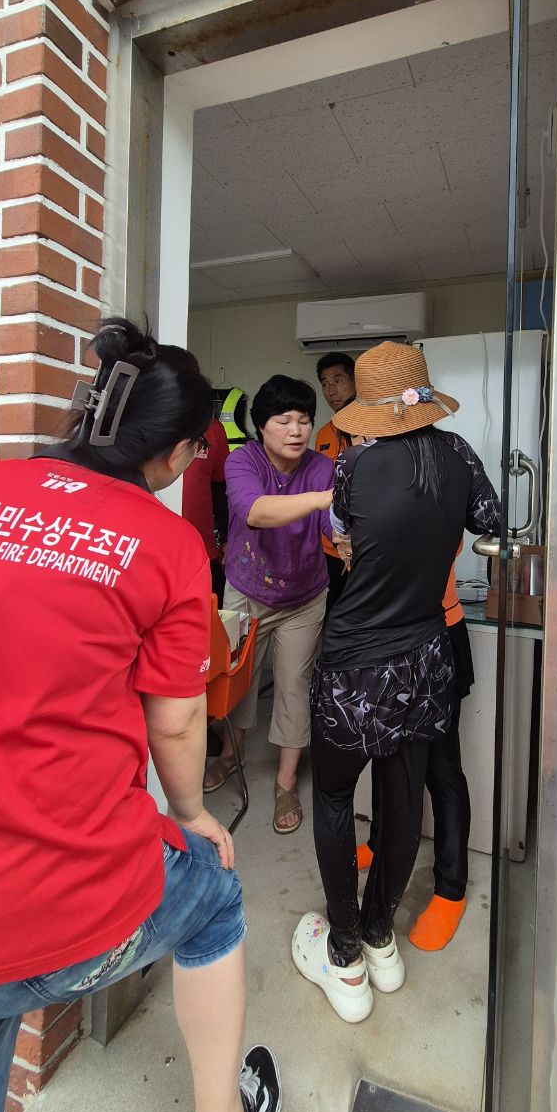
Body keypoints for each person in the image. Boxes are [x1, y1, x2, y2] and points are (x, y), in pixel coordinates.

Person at [0, 318, 281, 1112]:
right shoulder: (166, 545)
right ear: (177, 454)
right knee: (214, 894)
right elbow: (175, 722)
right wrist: (192, 815)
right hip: (44, 906)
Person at [292, 342, 500, 1022]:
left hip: (355, 664)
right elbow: (491, 523)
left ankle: (345, 953)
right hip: (427, 657)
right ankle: (381, 935)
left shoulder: (353, 464)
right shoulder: (459, 454)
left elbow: (342, 534)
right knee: (405, 796)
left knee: (331, 797)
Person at [204, 375, 333, 836]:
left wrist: (346, 534)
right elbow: (254, 512)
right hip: (247, 590)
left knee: (294, 685)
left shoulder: (322, 467)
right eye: (284, 420)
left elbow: (331, 525)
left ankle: (285, 783)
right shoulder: (243, 460)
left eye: (304, 420)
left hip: (304, 596)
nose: (296, 430)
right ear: (262, 425)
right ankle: (230, 755)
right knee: (237, 682)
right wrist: (321, 499)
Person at [357, 555, 475, 952]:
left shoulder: (444, 506)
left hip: (437, 631)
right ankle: (379, 841)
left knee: (441, 766)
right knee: (384, 749)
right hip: (384, 632)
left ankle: (451, 888)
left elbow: (480, 526)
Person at [180, 352, 230, 605]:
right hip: (155, 551)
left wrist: (227, 539)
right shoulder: (147, 427)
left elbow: (221, 489)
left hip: (204, 550)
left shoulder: (212, 429)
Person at [314, 352, 355, 613]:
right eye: (325, 383)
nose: (331, 390)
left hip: (363, 546)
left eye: (338, 380)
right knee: (330, 615)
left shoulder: (372, 429)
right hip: (330, 547)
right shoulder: (323, 434)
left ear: (355, 380)